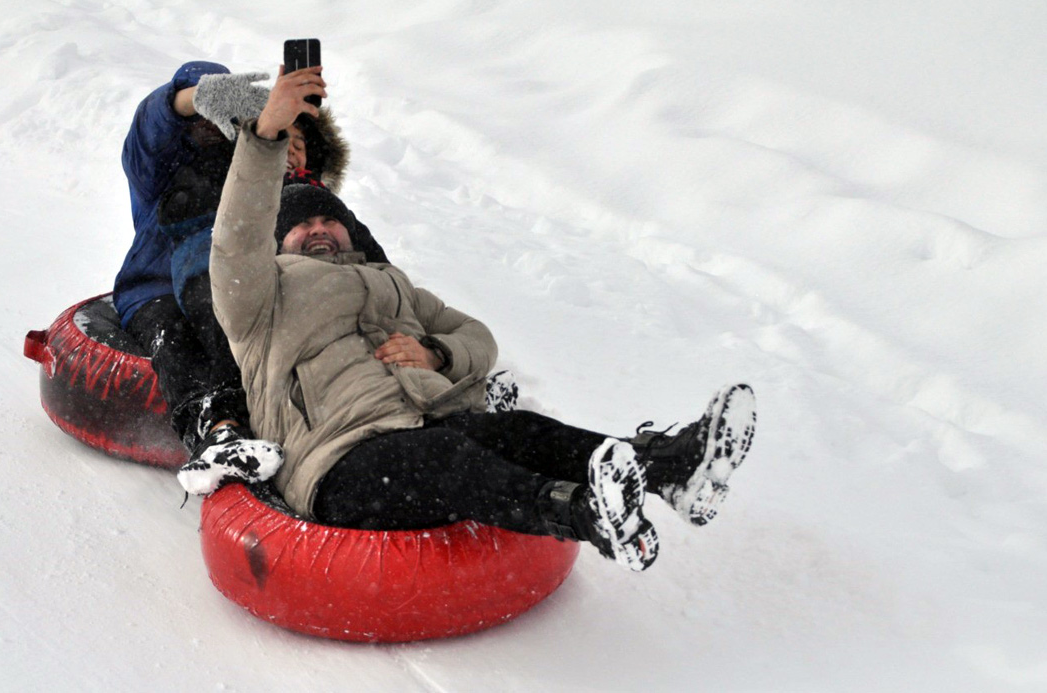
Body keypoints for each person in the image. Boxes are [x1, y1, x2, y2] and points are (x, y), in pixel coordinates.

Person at [202, 69, 759, 571]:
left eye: (330, 219)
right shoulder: (259, 297)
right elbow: (236, 239)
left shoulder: (393, 283)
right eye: (302, 225)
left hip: (422, 423)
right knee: (445, 457)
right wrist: (267, 135)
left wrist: (438, 354)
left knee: (519, 431)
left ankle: (669, 469)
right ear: (279, 242)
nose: (319, 229)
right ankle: (581, 513)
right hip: (336, 461)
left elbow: (477, 337)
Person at [111, 59, 386, 470]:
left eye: (299, 143)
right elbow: (151, 132)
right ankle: (215, 427)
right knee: (182, 336)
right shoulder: (171, 174)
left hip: (258, 293)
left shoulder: (294, 198)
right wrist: (191, 100)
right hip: (160, 288)